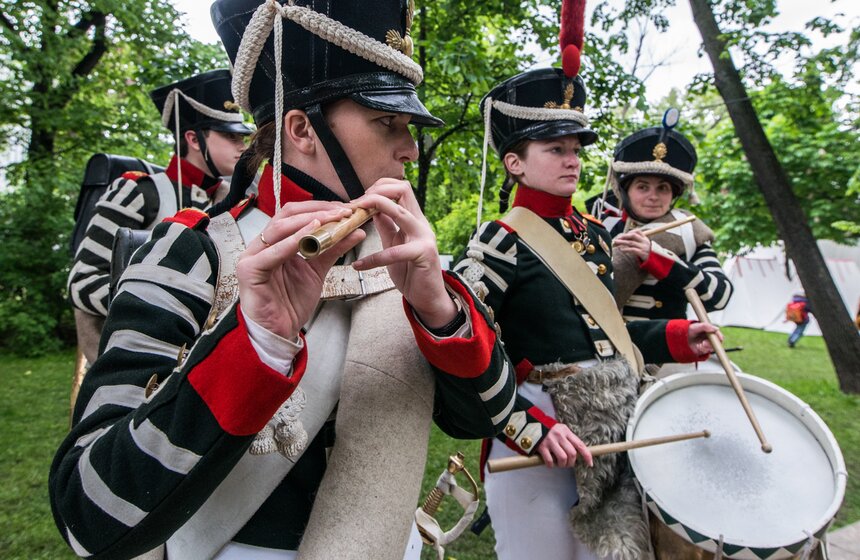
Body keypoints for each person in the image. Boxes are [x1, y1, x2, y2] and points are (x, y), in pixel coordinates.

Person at [49, 1, 516, 559]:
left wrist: (438, 308)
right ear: (301, 129)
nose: (410, 148)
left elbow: (487, 417)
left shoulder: (403, 253)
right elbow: (89, 511)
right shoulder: (191, 250)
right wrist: (257, 343)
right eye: (387, 122)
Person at [452, 1, 721, 558]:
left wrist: (677, 337)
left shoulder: (594, 233)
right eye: (555, 148)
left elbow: (602, 336)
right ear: (515, 163)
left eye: (575, 148)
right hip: (539, 429)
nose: (572, 160)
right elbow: (465, 348)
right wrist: (525, 425)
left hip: (611, 422)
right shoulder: (500, 239)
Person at [67, 69, 253, 361]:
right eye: (230, 136)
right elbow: (82, 283)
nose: (242, 146)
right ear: (193, 139)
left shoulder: (234, 199)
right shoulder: (138, 192)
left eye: (242, 137)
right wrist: (159, 309)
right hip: (138, 359)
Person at [598, 112, 733, 323]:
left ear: (673, 195)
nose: (653, 196)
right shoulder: (602, 228)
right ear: (625, 191)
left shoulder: (689, 233)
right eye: (643, 187)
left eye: (663, 188)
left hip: (665, 343)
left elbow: (720, 296)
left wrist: (658, 258)